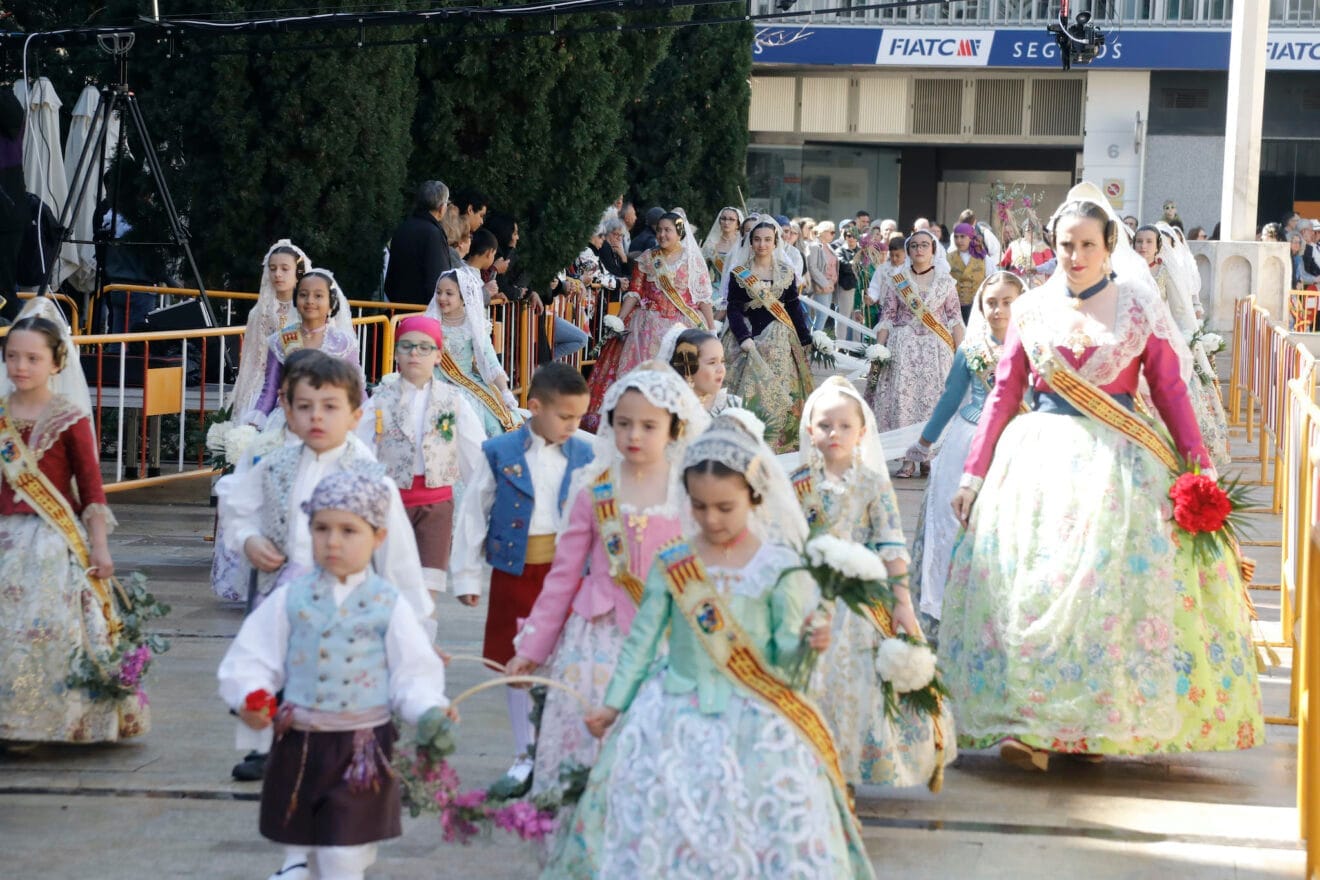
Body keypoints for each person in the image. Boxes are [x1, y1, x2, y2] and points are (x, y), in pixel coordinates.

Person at [941, 184, 1263, 771]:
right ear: (1053, 245)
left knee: (1105, 595)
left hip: (1121, 468)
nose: (1075, 254)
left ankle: (1092, 725)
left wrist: (1200, 466)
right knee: (1032, 589)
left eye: (1088, 243)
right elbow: (1004, 395)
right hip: (1036, 464)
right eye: (1066, 244)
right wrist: (972, 475)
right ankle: (1029, 727)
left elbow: (1169, 391)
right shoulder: (1032, 308)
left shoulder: (1139, 306)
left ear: (1109, 245)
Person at [547, 412, 874, 879]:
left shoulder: (780, 566)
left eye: (725, 507)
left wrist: (809, 645)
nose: (710, 518)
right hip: (670, 713)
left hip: (757, 719)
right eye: (699, 507)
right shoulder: (674, 562)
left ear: (754, 496)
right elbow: (641, 643)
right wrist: (614, 705)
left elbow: (784, 662)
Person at [218, 470, 451, 880]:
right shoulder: (291, 597)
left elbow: (412, 671)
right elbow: (253, 655)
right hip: (302, 743)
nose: (334, 541)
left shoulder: (387, 603)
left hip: (362, 746)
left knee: (342, 853)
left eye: (349, 530)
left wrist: (428, 709)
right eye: (322, 528)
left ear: (377, 537)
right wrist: (251, 695)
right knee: (307, 840)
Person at [504, 364, 709, 802]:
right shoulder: (593, 489)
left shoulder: (690, 493)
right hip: (593, 641)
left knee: (653, 747)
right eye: (623, 423)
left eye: (649, 425)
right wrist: (531, 648)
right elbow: (561, 578)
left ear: (675, 428)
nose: (634, 434)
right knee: (585, 740)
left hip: (665, 643)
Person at [794, 378, 953, 789]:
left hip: (860, 602)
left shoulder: (871, 483)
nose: (834, 433)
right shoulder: (796, 483)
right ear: (810, 429)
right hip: (806, 599)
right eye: (825, 424)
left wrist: (902, 602)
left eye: (845, 426)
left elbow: (891, 543)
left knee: (857, 682)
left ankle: (847, 763)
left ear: (862, 432)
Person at [0, 302, 148, 742]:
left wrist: (100, 547)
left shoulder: (69, 417)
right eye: (12, 356)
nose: (20, 366)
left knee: (48, 633)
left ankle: (54, 719)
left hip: (50, 544)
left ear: (56, 362)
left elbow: (91, 489)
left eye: (32, 358)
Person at [450, 363, 594, 792]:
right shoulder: (500, 451)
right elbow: (474, 511)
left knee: (563, 662)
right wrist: (467, 577)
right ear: (534, 407)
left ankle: (561, 753)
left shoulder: (588, 453)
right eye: (565, 417)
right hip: (516, 574)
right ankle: (524, 754)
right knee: (518, 666)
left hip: (568, 577)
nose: (573, 426)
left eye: (579, 418)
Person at [905, 273, 1024, 643]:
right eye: (991, 302)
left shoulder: (1037, 348)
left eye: (1008, 302)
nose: (999, 310)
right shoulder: (970, 350)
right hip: (966, 444)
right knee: (953, 524)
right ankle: (949, 610)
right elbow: (950, 399)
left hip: (1019, 441)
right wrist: (924, 442)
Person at [356, 316, 484, 595]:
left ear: (439, 355)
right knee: (390, 584)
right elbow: (359, 451)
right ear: (396, 353)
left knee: (428, 588)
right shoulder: (379, 401)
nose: (415, 353)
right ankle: (393, 635)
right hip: (390, 504)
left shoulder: (454, 400)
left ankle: (424, 636)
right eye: (407, 346)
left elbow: (475, 454)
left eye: (425, 347)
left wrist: (486, 501)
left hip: (436, 505)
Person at [582, 210, 715, 432]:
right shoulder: (646, 258)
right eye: (659, 230)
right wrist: (620, 320)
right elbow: (634, 293)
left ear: (679, 232)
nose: (662, 235)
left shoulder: (692, 261)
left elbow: (702, 299)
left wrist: (711, 330)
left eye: (668, 230)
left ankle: (673, 424)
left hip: (680, 327)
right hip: (645, 328)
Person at [865, 230, 965, 476]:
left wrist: (961, 353)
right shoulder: (896, 279)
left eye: (925, 245)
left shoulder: (945, 281)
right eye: (915, 246)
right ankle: (907, 460)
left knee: (933, 402)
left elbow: (954, 318)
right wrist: (879, 350)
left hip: (937, 349)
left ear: (933, 250)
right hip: (904, 347)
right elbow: (887, 315)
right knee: (904, 402)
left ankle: (930, 456)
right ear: (908, 251)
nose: (919, 250)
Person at [723, 214, 815, 453]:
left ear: (776, 242)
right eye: (757, 239)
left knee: (780, 389)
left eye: (767, 240)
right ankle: (744, 438)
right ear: (750, 242)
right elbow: (733, 308)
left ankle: (777, 440)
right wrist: (743, 337)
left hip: (780, 339)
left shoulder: (786, 272)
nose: (762, 244)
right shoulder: (739, 273)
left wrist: (805, 337)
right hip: (748, 339)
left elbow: (793, 306)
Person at [246, 269, 358, 428]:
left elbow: (356, 387)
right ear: (295, 299)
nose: (310, 301)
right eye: (303, 295)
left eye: (318, 296)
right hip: (286, 420)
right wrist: (253, 423)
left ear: (331, 303)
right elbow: (270, 389)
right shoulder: (280, 340)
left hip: (329, 420)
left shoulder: (343, 343)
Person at [425, 270, 522, 436]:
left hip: (465, 384)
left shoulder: (473, 325)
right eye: (439, 292)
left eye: (449, 293)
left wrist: (505, 392)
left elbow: (490, 360)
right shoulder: (430, 321)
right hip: (432, 383)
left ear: (463, 297)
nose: (442, 298)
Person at [383, 180, 453, 306]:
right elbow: (438, 278)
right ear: (442, 208)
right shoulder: (433, 234)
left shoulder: (402, 228)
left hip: (398, 310)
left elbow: (391, 278)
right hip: (424, 313)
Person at [660, 326, 742, 415]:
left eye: (722, 361)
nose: (721, 369)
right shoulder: (667, 408)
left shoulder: (733, 406)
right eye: (712, 362)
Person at [0, 90, 24, 324]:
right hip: (10, 211)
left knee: (5, 293)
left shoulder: (8, 106)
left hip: (7, 214)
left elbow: (14, 117)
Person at [701, 206, 744, 310]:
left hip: (738, 288)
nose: (726, 222)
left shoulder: (743, 245)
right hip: (715, 291)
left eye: (731, 219)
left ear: (738, 224)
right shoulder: (710, 246)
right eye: (723, 218)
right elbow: (702, 271)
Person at [999, 213, 1054, 288]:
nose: (1030, 232)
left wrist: (1037, 270)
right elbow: (1004, 264)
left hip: (1038, 280)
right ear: (1023, 231)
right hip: (1019, 278)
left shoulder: (1043, 246)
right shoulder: (1015, 245)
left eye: (1033, 230)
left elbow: (1051, 265)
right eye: (1028, 230)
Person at [948, 222, 989, 323]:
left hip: (977, 306)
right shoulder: (948, 258)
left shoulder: (983, 258)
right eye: (956, 237)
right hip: (954, 307)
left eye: (963, 237)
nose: (959, 240)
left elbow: (992, 278)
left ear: (971, 237)